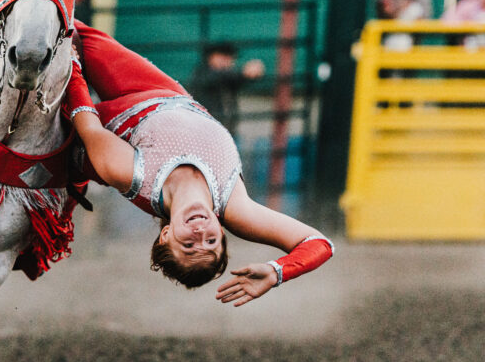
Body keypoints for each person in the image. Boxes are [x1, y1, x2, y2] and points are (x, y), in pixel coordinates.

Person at [64, 22, 333, 305]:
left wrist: (72, 66)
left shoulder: (134, 176)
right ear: (220, 233)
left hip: (94, 121)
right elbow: (319, 244)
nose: (200, 234)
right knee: (70, 20)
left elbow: (89, 126)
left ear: (166, 235)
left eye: (189, 244)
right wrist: (277, 271)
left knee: (60, 41)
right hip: (161, 91)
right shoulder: (235, 206)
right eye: (211, 242)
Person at [189, 42, 265, 132]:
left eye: (230, 58)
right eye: (223, 57)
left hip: (226, 131)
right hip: (205, 131)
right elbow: (219, 77)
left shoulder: (227, 79)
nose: (228, 61)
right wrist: (244, 72)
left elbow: (236, 78)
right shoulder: (202, 74)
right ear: (211, 57)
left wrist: (250, 74)